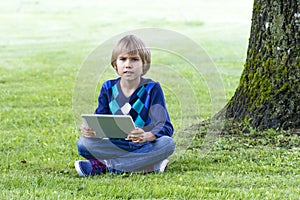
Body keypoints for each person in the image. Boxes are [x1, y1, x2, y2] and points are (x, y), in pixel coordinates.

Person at [74, 34, 175, 176]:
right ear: (115, 64)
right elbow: (100, 121)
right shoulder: (108, 88)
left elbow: (165, 126)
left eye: (134, 59)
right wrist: (91, 131)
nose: (128, 64)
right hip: (116, 146)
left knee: (167, 143)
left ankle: (106, 166)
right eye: (123, 59)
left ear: (144, 65)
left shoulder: (152, 88)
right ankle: (146, 165)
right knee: (83, 144)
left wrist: (146, 136)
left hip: (144, 145)